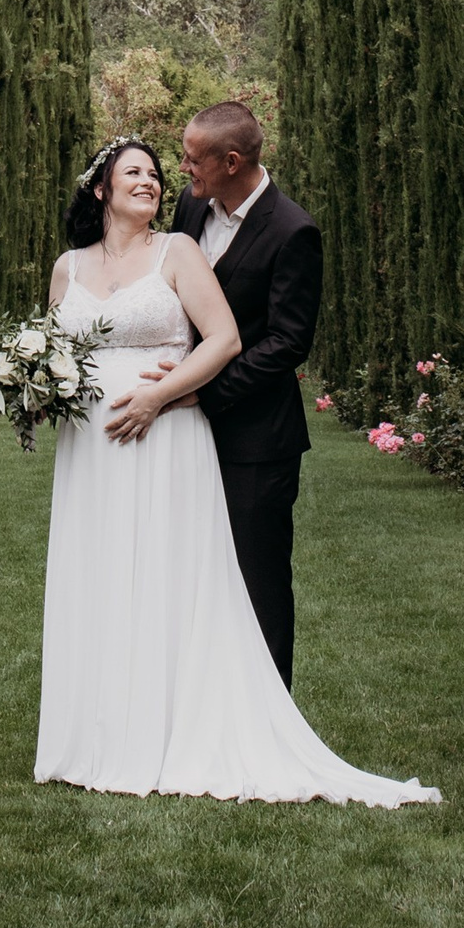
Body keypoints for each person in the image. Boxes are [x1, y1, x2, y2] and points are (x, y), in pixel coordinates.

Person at [33, 130, 438, 806]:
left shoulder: (191, 245)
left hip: (170, 434)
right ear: (100, 188)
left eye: (159, 173)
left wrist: (164, 395)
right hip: (90, 453)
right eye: (135, 172)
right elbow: (50, 344)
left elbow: (232, 338)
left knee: (180, 580)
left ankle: (213, 722)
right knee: (98, 574)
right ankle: (97, 733)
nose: (156, 180)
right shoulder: (71, 266)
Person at [169, 100, 318, 685]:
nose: (182, 168)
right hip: (181, 432)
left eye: (191, 158)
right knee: (191, 572)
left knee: (258, 583)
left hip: (257, 441)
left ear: (231, 161)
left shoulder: (293, 231)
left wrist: (201, 392)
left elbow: (286, 343)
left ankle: (272, 723)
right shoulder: (191, 206)